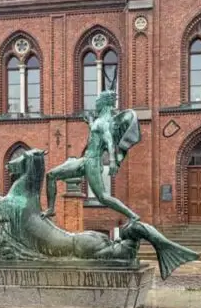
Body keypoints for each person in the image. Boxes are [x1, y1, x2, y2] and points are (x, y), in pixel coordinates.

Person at [43, 89, 141, 222]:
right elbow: (97, 134)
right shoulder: (99, 121)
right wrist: (89, 123)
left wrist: (112, 161)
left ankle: (132, 215)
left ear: (104, 103)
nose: (96, 104)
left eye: (97, 102)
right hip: (86, 160)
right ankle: (51, 209)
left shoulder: (104, 122)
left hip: (93, 162)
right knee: (51, 175)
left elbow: (109, 141)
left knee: (102, 197)